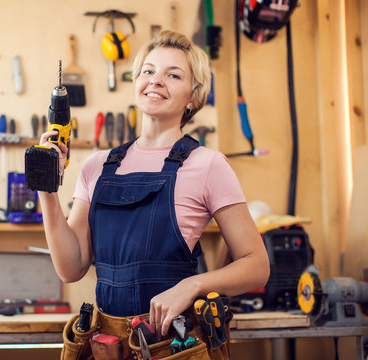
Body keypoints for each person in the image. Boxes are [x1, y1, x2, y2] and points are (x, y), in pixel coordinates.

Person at [38, 29, 269, 358]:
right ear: (137, 82)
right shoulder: (97, 166)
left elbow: (257, 265)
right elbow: (71, 268)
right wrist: (48, 187)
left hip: (172, 344)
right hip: (110, 343)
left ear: (193, 96)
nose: (156, 80)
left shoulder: (208, 165)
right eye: (148, 71)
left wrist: (193, 286)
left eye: (173, 75)